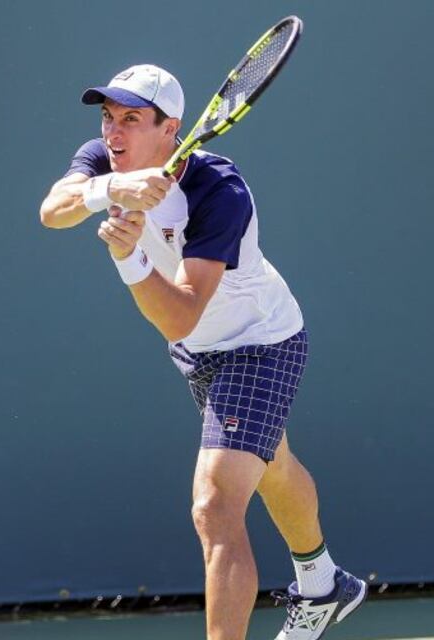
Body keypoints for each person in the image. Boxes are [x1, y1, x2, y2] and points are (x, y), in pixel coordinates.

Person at [39, 64, 366, 639]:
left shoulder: (219, 191)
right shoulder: (103, 158)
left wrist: (128, 257)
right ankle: (323, 584)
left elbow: (181, 310)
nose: (114, 132)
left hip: (260, 344)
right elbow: (52, 212)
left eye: (133, 120)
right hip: (198, 355)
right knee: (272, 467)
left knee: (215, 507)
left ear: (172, 129)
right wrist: (110, 189)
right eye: (109, 117)